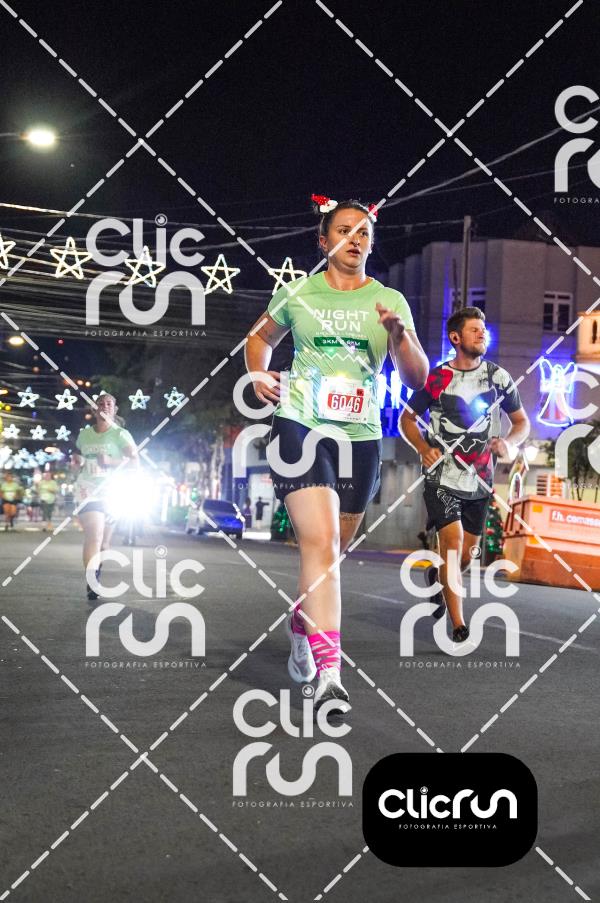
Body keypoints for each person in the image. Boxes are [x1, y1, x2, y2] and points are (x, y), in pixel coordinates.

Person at [245, 195, 428, 710]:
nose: (355, 239)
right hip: (301, 425)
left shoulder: (389, 300)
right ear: (323, 240)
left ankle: (301, 622)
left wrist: (399, 336)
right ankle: (330, 673)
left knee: (332, 552)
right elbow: (258, 338)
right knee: (321, 544)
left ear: (371, 243)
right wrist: (257, 372)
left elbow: (417, 377)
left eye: (364, 232)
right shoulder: (298, 293)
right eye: (345, 230)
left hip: (359, 437)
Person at [400, 306, 530, 643]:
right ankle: (458, 623)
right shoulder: (436, 379)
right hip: (441, 477)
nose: (482, 334)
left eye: (484, 330)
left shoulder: (498, 378)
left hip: (480, 481)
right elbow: (407, 419)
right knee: (453, 542)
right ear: (456, 338)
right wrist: (422, 448)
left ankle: (438, 578)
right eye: (475, 330)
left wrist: (509, 442)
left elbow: (521, 422)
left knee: (468, 554)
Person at [71, 393, 138, 603]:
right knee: (95, 535)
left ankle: (96, 571)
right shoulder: (84, 435)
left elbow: (134, 462)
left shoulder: (121, 434)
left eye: (109, 403)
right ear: (94, 410)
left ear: (114, 409)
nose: (105, 406)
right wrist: (76, 462)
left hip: (113, 491)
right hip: (87, 490)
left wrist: (110, 461)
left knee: (104, 544)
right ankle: (92, 580)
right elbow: (77, 458)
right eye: (100, 403)